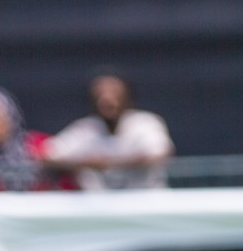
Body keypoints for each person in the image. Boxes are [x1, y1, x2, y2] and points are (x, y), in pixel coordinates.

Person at [45, 70, 175, 190]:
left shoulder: (145, 123)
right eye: (100, 95)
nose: (107, 100)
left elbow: (160, 154)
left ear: (127, 96)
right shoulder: (85, 128)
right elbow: (47, 157)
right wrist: (84, 163)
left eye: (114, 93)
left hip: (146, 205)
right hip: (98, 209)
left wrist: (110, 163)